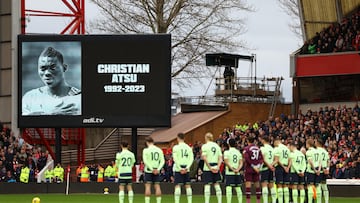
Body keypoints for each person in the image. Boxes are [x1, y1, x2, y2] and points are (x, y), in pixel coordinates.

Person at [22, 46, 81, 115]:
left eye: (52, 67)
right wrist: (51, 115)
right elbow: (24, 122)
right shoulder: (30, 97)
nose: (47, 73)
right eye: (43, 68)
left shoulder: (79, 98)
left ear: (64, 68)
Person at [201, 132, 223, 203]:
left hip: (208, 168)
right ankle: (219, 201)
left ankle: (207, 201)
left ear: (206, 138)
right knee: (217, 184)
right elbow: (220, 158)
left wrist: (210, 167)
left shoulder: (205, 146)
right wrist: (218, 167)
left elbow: (204, 157)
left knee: (207, 185)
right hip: (216, 166)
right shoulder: (217, 146)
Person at [172, 133, 194, 203]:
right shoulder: (188, 148)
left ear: (177, 138)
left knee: (177, 185)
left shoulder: (175, 147)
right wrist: (187, 168)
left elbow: (175, 159)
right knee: (187, 185)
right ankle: (190, 201)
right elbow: (191, 159)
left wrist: (180, 168)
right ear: (184, 138)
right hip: (186, 168)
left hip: (179, 168)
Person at [142, 137, 165, 203]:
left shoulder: (146, 150)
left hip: (149, 170)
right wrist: (158, 169)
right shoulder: (159, 150)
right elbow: (162, 161)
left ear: (147, 142)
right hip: (157, 170)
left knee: (147, 186)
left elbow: (145, 161)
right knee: (157, 186)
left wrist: (151, 169)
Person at [243, 135, 263, 203]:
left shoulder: (246, 149)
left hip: (249, 168)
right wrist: (258, 166)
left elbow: (247, 158)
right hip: (257, 168)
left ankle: (248, 201)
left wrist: (253, 166)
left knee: (248, 185)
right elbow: (261, 158)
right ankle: (258, 201)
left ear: (248, 141)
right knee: (257, 185)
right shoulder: (258, 148)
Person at [224, 138, 243, 203]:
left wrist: (232, 169)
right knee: (238, 188)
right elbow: (241, 163)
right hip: (237, 173)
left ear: (228, 144)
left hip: (229, 172)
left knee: (228, 188)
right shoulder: (238, 152)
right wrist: (238, 169)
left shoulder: (226, 152)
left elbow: (226, 162)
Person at [259, 136, 276, 203]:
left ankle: (265, 201)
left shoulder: (262, 148)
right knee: (271, 185)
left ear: (263, 140)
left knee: (264, 184)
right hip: (271, 168)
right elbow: (275, 159)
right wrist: (271, 165)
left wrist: (268, 165)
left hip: (265, 167)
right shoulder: (272, 148)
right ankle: (274, 201)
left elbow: (262, 158)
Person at [273, 137, 291, 203]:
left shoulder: (277, 148)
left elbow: (277, 160)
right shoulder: (287, 148)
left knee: (279, 185)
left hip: (280, 167)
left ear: (277, 141)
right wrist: (287, 168)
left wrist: (283, 167)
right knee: (286, 185)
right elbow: (290, 160)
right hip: (287, 167)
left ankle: (280, 201)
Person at [305, 138, 321, 203]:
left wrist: (314, 170)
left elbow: (310, 162)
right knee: (317, 186)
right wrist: (319, 170)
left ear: (308, 144)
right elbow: (320, 162)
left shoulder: (308, 152)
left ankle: (310, 201)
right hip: (318, 171)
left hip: (311, 171)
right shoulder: (317, 151)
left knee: (310, 187)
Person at [315, 138, 330, 203]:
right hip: (325, 170)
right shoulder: (325, 151)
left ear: (318, 143)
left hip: (319, 170)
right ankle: (326, 201)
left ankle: (319, 201)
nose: (314, 143)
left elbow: (318, 161)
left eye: (315, 142)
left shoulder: (316, 151)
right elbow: (328, 161)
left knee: (318, 186)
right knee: (324, 187)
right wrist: (327, 169)